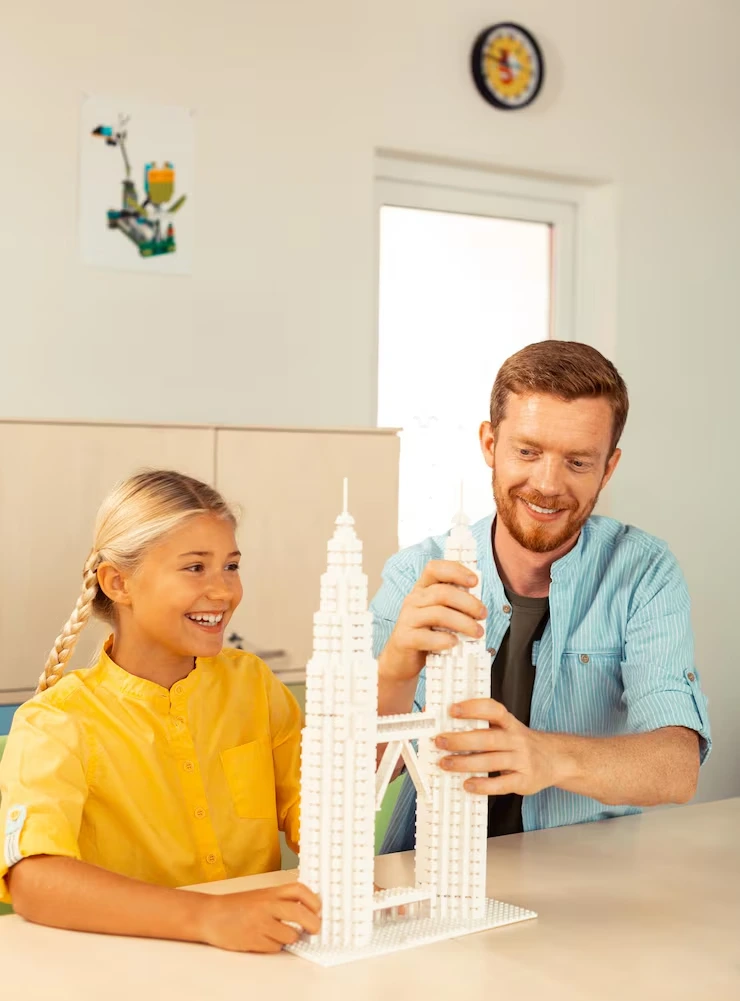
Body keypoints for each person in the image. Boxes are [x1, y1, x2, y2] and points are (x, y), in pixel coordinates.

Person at [372, 340, 711, 853]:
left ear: (609, 467)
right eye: (527, 452)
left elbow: (677, 769)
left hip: (584, 882)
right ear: (490, 444)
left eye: (577, 462)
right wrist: (394, 672)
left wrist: (547, 757)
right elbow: (357, 778)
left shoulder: (644, 571)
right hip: (433, 875)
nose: (547, 485)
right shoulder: (415, 573)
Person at [0, 470, 320, 952]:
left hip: (257, 957)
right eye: (195, 568)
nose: (223, 591)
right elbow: (34, 880)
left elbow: (311, 805)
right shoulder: (56, 722)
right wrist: (209, 917)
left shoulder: (253, 683)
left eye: (231, 566)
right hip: (126, 969)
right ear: (118, 583)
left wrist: (344, 869)